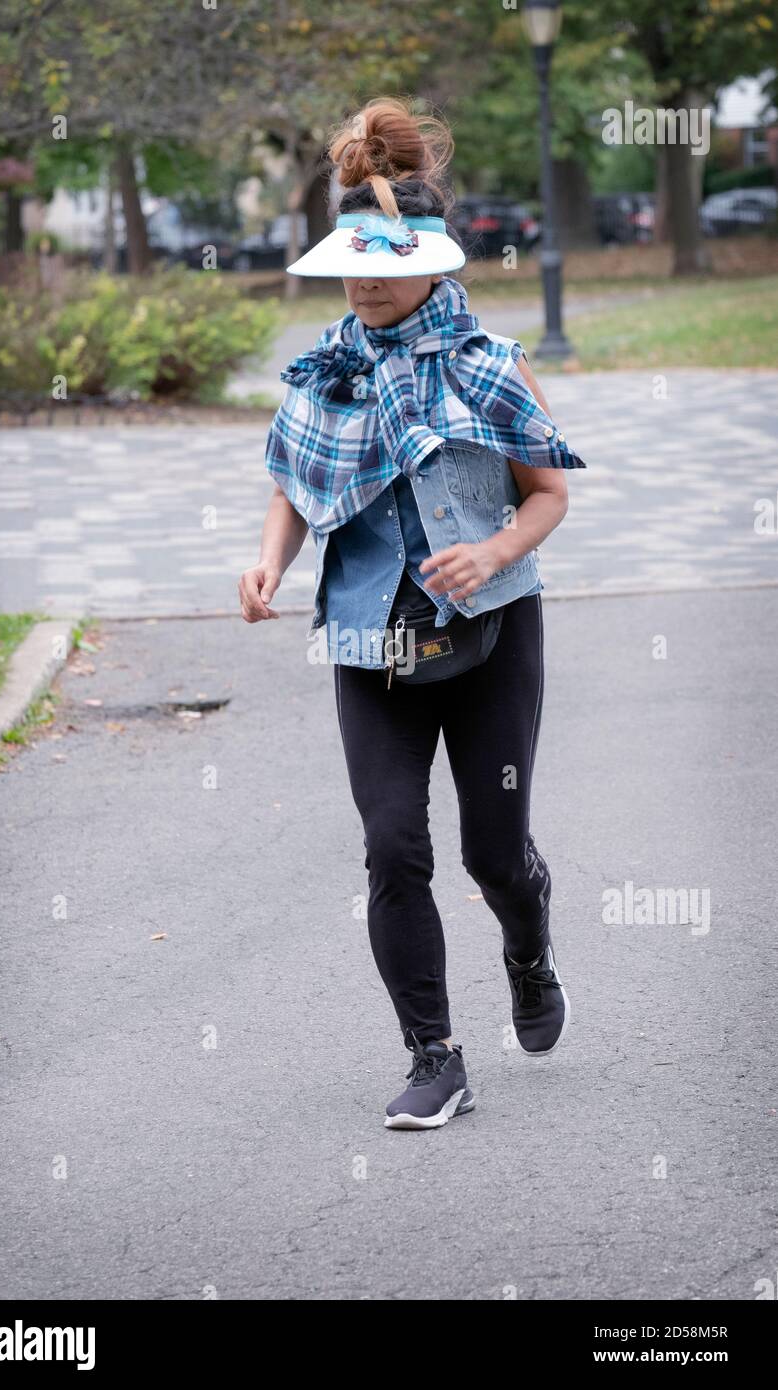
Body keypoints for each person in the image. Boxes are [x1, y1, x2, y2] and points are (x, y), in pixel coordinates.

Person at [239, 98, 587, 1129]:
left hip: (491, 635)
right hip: (367, 642)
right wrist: (264, 566)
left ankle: (528, 943)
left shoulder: (488, 367)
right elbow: (296, 489)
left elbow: (550, 493)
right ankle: (434, 1055)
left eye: (384, 261)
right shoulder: (327, 374)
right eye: (350, 260)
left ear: (436, 262)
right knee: (393, 847)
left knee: (493, 853)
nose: (364, 280)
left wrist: (492, 550)